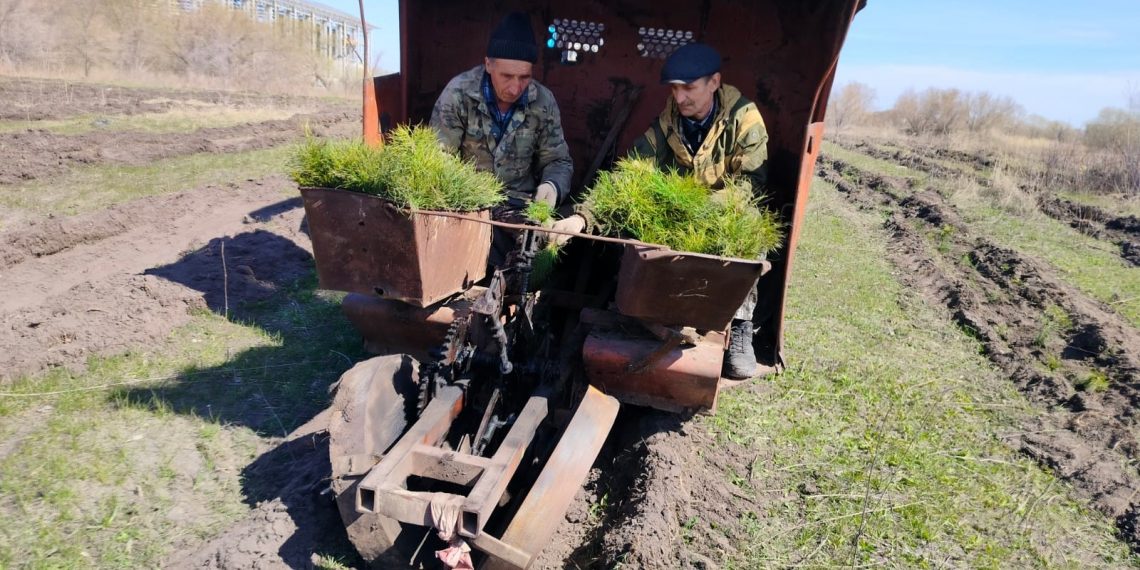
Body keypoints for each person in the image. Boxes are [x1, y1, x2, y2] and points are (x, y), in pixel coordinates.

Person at [557, 42, 770, 380]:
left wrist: (700, 209)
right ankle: (638, 308)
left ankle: (740, 325)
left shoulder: (745, 120)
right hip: (674, 221)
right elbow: (629, 176)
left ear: (714, 82)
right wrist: (582, 217)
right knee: (633, 215)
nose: (680, 97)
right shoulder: (668, 122)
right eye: (674, 89)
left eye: (689, 88)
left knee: (753, 226)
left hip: (720, 216)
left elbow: (750, 186)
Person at [429, 12, 573, 265]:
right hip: (467, 204)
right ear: (488, 65)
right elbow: (439, 157)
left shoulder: (543, 101)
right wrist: (465, 197)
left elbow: (558, 161)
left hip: (520, 205)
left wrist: (551, 188)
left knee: (539, 253)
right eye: (506, 76)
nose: (516, 88)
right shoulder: (459, 93)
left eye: (525, 77)